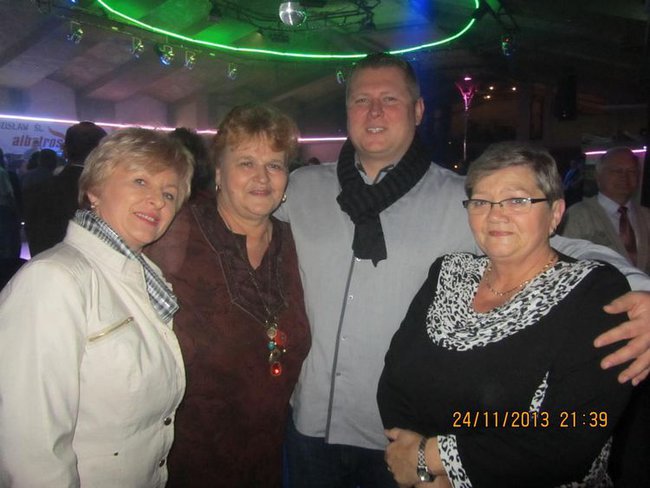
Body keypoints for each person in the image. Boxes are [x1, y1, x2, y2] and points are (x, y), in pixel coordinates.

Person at [277, 52, 650, 488]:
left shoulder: (467, 201)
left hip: (397, 437)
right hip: (310, 423)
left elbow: (555, 246)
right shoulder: (300, 188)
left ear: (418, 111)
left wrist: (640, 290)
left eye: (390, 99)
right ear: (347, 112)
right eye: (361, 100)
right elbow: (240, 217)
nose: (374, 111)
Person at [377, 141, 632, 487]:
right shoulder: (449, 272)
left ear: (555, 213)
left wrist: (432, 460)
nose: (495, 214)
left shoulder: (594, 292)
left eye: (517, 200)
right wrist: (420, 470)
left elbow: (572, 434)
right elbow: (394, 379)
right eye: (481, 202)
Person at [0, 127, 194, 487]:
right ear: (94, 190)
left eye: (169, 193)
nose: (157, 201)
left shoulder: (144, 278)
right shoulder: (53, 281)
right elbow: (31, 455)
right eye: (140, 181)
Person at [146, 104, 311, 487]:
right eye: (246, 163)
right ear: (219, 172)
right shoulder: (177, 232)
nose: (262, 177)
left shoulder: (296, 243)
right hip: (184, 461)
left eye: (275, 165)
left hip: (267, 458)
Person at [23, 121, 107, 256]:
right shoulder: (108, 194)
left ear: (65, 150)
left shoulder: (37, 190)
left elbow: (35, 238)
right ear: (102, 154)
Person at [562, 147, 650, 274]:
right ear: (598, 176)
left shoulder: (646, 217)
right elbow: (567, 264)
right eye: (617, 171)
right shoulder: (578, 215)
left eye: (632, 171)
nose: (624, 177)